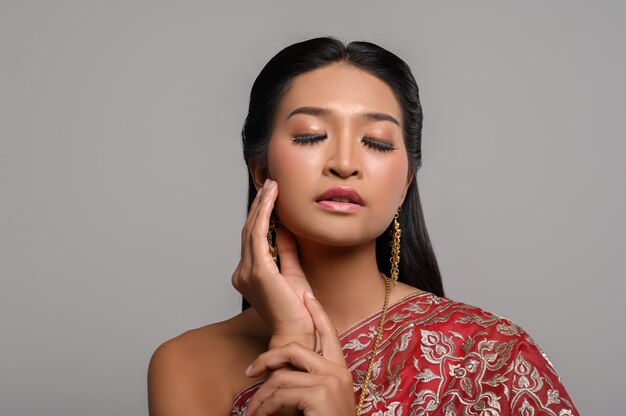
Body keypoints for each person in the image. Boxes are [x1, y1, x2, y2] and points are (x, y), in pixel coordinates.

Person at [147, 37, 578, 415]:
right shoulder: (187, 364)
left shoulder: (490, 357)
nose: (345, 164)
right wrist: (294, 335)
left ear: (406, 180)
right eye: (311, 135)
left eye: (376, 142)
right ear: (260, 170)